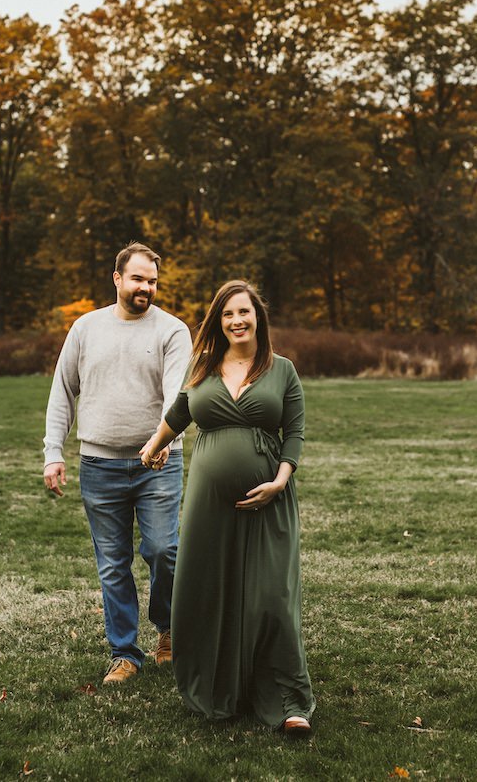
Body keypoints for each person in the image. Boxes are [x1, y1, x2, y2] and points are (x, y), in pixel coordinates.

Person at [139, 280, 315, 735]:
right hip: (208, 502)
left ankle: (287, 701)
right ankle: (219, 690)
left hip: (268, 502)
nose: (237, 321)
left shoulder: (283, 370)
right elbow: (180, 412)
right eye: (227, 315)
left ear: (259, 316)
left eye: (244, 312)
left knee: (272, 598)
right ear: (219, 322)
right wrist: (154, 445)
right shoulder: (202, 366)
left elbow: (294, 433)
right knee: (207, 590)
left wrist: (279, 481)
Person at [42, 242, 192, 685]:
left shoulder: (172, 330)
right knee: (112, 563)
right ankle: (124, 653)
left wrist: (165, 438)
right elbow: (62, 392)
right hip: (99, 465)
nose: (146, 287)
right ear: (117, 279)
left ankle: (168, 631)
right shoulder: (85, 328)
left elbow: (177, 394)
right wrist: (54, 451)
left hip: (158, 462)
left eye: (153, 281)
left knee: (164, 550)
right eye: (139, 279)